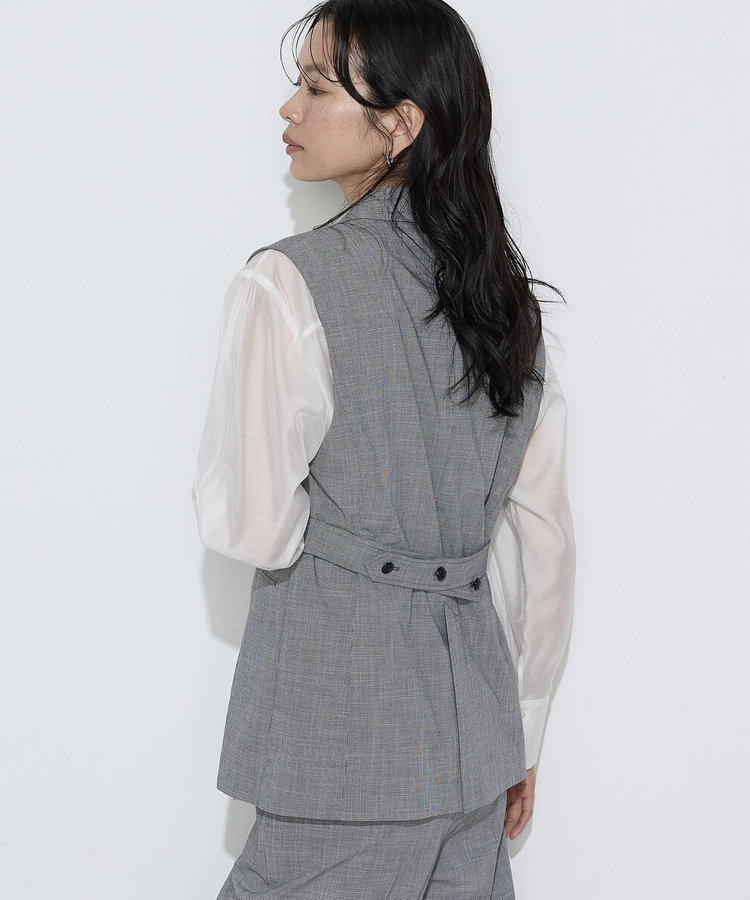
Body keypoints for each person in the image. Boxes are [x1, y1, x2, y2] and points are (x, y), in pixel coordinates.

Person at [192, 1, 575, 897]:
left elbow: (249, 526)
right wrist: (522, 731)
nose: (289, 109)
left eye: (317, 87)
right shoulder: (507, 304)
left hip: (338, 736)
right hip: (477, 737)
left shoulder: (288, 282)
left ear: (402, 123)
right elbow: (545, 545)